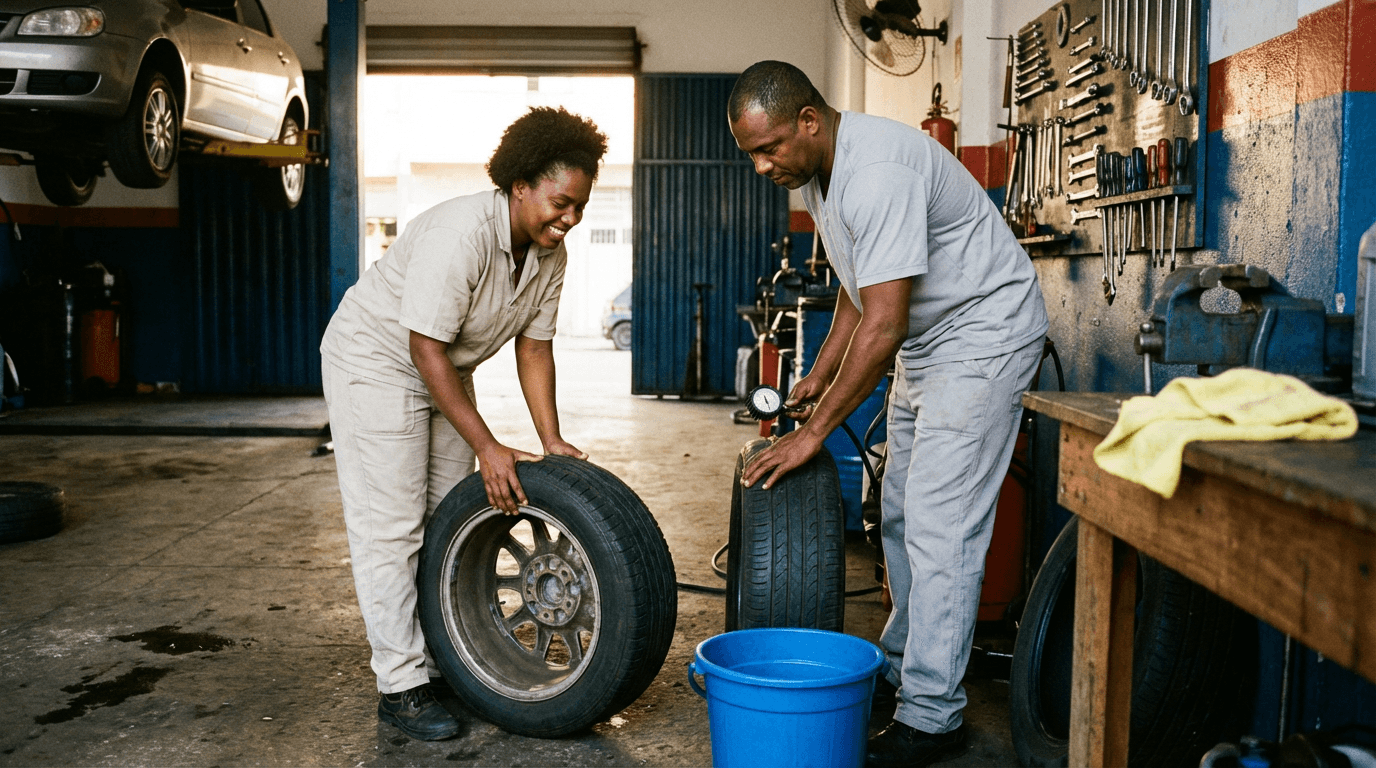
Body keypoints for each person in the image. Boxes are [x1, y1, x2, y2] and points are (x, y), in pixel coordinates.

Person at [729, 61, 1049, 767]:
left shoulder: (876, 170)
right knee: (900, 510)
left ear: (810, 120)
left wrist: (814, 435)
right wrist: (819, 372)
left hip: (984, 332)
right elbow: (857, 286)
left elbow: (884, 321)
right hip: (930, 337)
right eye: (751, 152)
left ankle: (933, 716)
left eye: (770, 147)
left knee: (942, 523)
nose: (761, 166)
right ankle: (903, 673)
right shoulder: (819, 173)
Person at [319, 106, 607, 741]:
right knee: (391, 529)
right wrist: (487, 444)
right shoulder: (460, 233)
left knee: (447, 518)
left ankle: (445, 661)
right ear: (520, 184)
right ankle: (400, 685)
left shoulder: (549, 256)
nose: (571, 218)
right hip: (377, 362)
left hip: (444, 367)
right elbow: (423, 347)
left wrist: (549, 439)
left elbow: (535, 347)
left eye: (581, 206)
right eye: (561, 202)